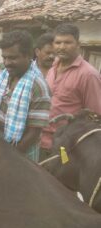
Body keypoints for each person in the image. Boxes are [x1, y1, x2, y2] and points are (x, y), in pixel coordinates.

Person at [0, 30, 51, 162]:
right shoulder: (0, 71)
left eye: (12, 58)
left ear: (28, 56)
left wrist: (10, 155)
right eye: (5, 57)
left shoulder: (39, 87)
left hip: (22, 150)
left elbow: (34, 131)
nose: (7, 62)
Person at [40, 23, 101, 160]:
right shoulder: (52, 67)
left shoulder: (88, 74)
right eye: (58, 42)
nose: (61, 47)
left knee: (58, 181)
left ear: (78, 44)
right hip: (41, 140)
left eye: (67, 42)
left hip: (65, 147)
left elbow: (94, 116)